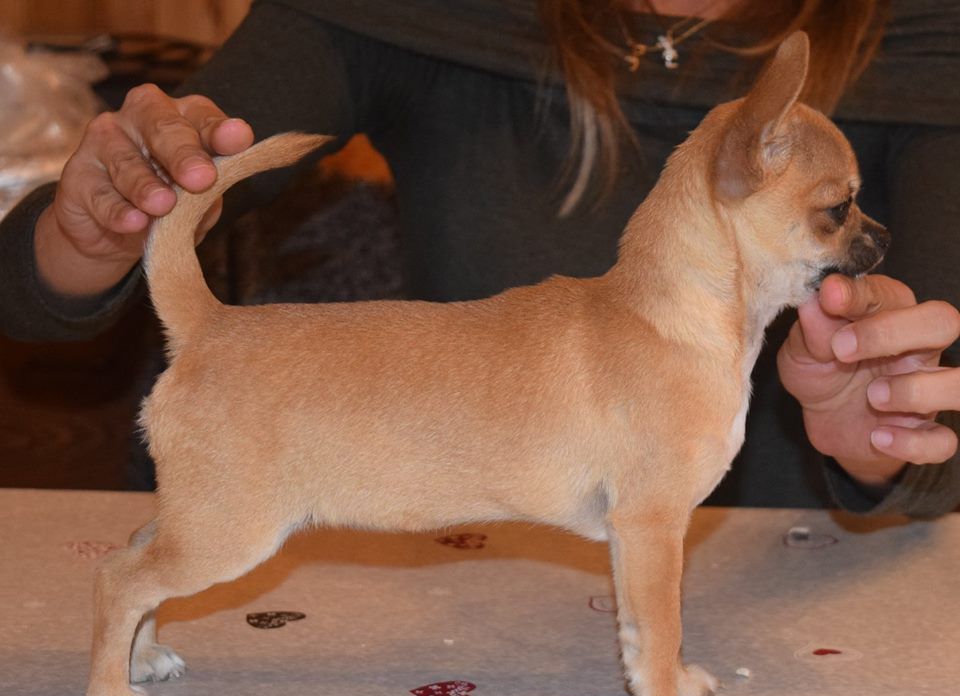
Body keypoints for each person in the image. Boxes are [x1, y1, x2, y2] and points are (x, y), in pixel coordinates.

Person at [0, 0, 958, 516]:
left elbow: (940, 413)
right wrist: (93, 231)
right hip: (453, 580)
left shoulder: (927, 39)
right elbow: (74, 264)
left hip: (808, 601)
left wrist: (885, 430)